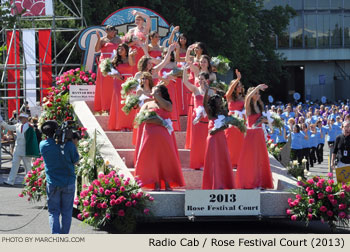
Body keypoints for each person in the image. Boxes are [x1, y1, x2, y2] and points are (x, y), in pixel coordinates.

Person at [134, 85, 185, 191]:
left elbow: (168, 108)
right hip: (150, 135)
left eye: (156, 91)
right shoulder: (147, 104)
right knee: (153, 159)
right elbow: (140, 117)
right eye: (153, 91)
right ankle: (156, 183)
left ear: (161, 93)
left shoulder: (166, 103)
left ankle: (167, 183)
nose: (153, 93)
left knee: (166, 158)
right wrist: (157, 121)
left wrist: (158, 97)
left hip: (165, 136)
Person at [40, 120, 80, 234]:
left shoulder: (42, 145)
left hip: (52, 184)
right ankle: (64, 237)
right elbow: (76, 162)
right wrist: (74, 144)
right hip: (68, 182)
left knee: (53, 212)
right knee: (67, 212)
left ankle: (56, 237)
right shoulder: (69, 145)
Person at [235, 84, 273, 189]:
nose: (257, 95)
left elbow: (262, 120)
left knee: (260, 160)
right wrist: (258, 87)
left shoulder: (260, 106)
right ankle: (251, 183)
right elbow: (247, 97)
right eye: (255, 93)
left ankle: (260, 183)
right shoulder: (248, 106)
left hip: (259, 134)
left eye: (258, 93)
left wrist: (268, 120)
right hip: (251, 135)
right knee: (252, 160)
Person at [201, 88, 234, 189]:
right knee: (213, 162)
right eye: (218, 100)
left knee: (222, 160)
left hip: (221, 138)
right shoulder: (210, 113)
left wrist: (217, 129)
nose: (220, 102)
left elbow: (227, 125)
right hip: (212, 139)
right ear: (213, 102)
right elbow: (204, 103)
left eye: (220, 100)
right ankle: (213, 184)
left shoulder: (224, 112)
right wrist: (206, 91)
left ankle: (223, 183)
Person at [0, 113, 39, 186]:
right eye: (20, 117)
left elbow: (33, 140)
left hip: (26, 149)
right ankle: (10, 181)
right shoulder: (17, 125)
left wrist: (32, 150)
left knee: (27, 166)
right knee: (14, 164)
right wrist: (2, 122)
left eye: (22, 118)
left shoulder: (30, 127)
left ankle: (28, 182)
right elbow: (9, 127)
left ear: (26, 119)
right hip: (17, 149)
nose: (20, 119)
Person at [107, 43, 137, 131]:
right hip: (118, 82)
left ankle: (129, 125)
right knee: (119, 103)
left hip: (129, 82)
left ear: (126, 50)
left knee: (128, 102)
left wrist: (131, 56)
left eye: (122, 49)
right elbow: (110, 70)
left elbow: (132, 64)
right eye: (119, 49)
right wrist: (115, 74)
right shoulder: (115, 59)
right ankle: (120, 125)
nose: (120, 51)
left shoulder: (130, 57)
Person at [94, 25, 121, 113]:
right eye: (111, 31)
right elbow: (97, 49)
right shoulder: (103, 40)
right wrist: (98, 39)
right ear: (106, 31)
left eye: (114, 31)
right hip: (104, 64)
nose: (113, 33)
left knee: (115, 85)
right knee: (104, 87)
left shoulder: (118, 40)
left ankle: (115, 106)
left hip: (115, 63)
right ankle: (105, 107)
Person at [224, 69, 245, 168]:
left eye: (240, 85)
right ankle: (229, 162)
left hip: (240, 123)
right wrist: (237, 79)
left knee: (239, 143)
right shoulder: (230, 98)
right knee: (229, 142)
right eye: (238, 85)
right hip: (231, 122)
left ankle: (238, 162)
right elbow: (229, 92)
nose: (240, 87)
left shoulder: (243, 98)